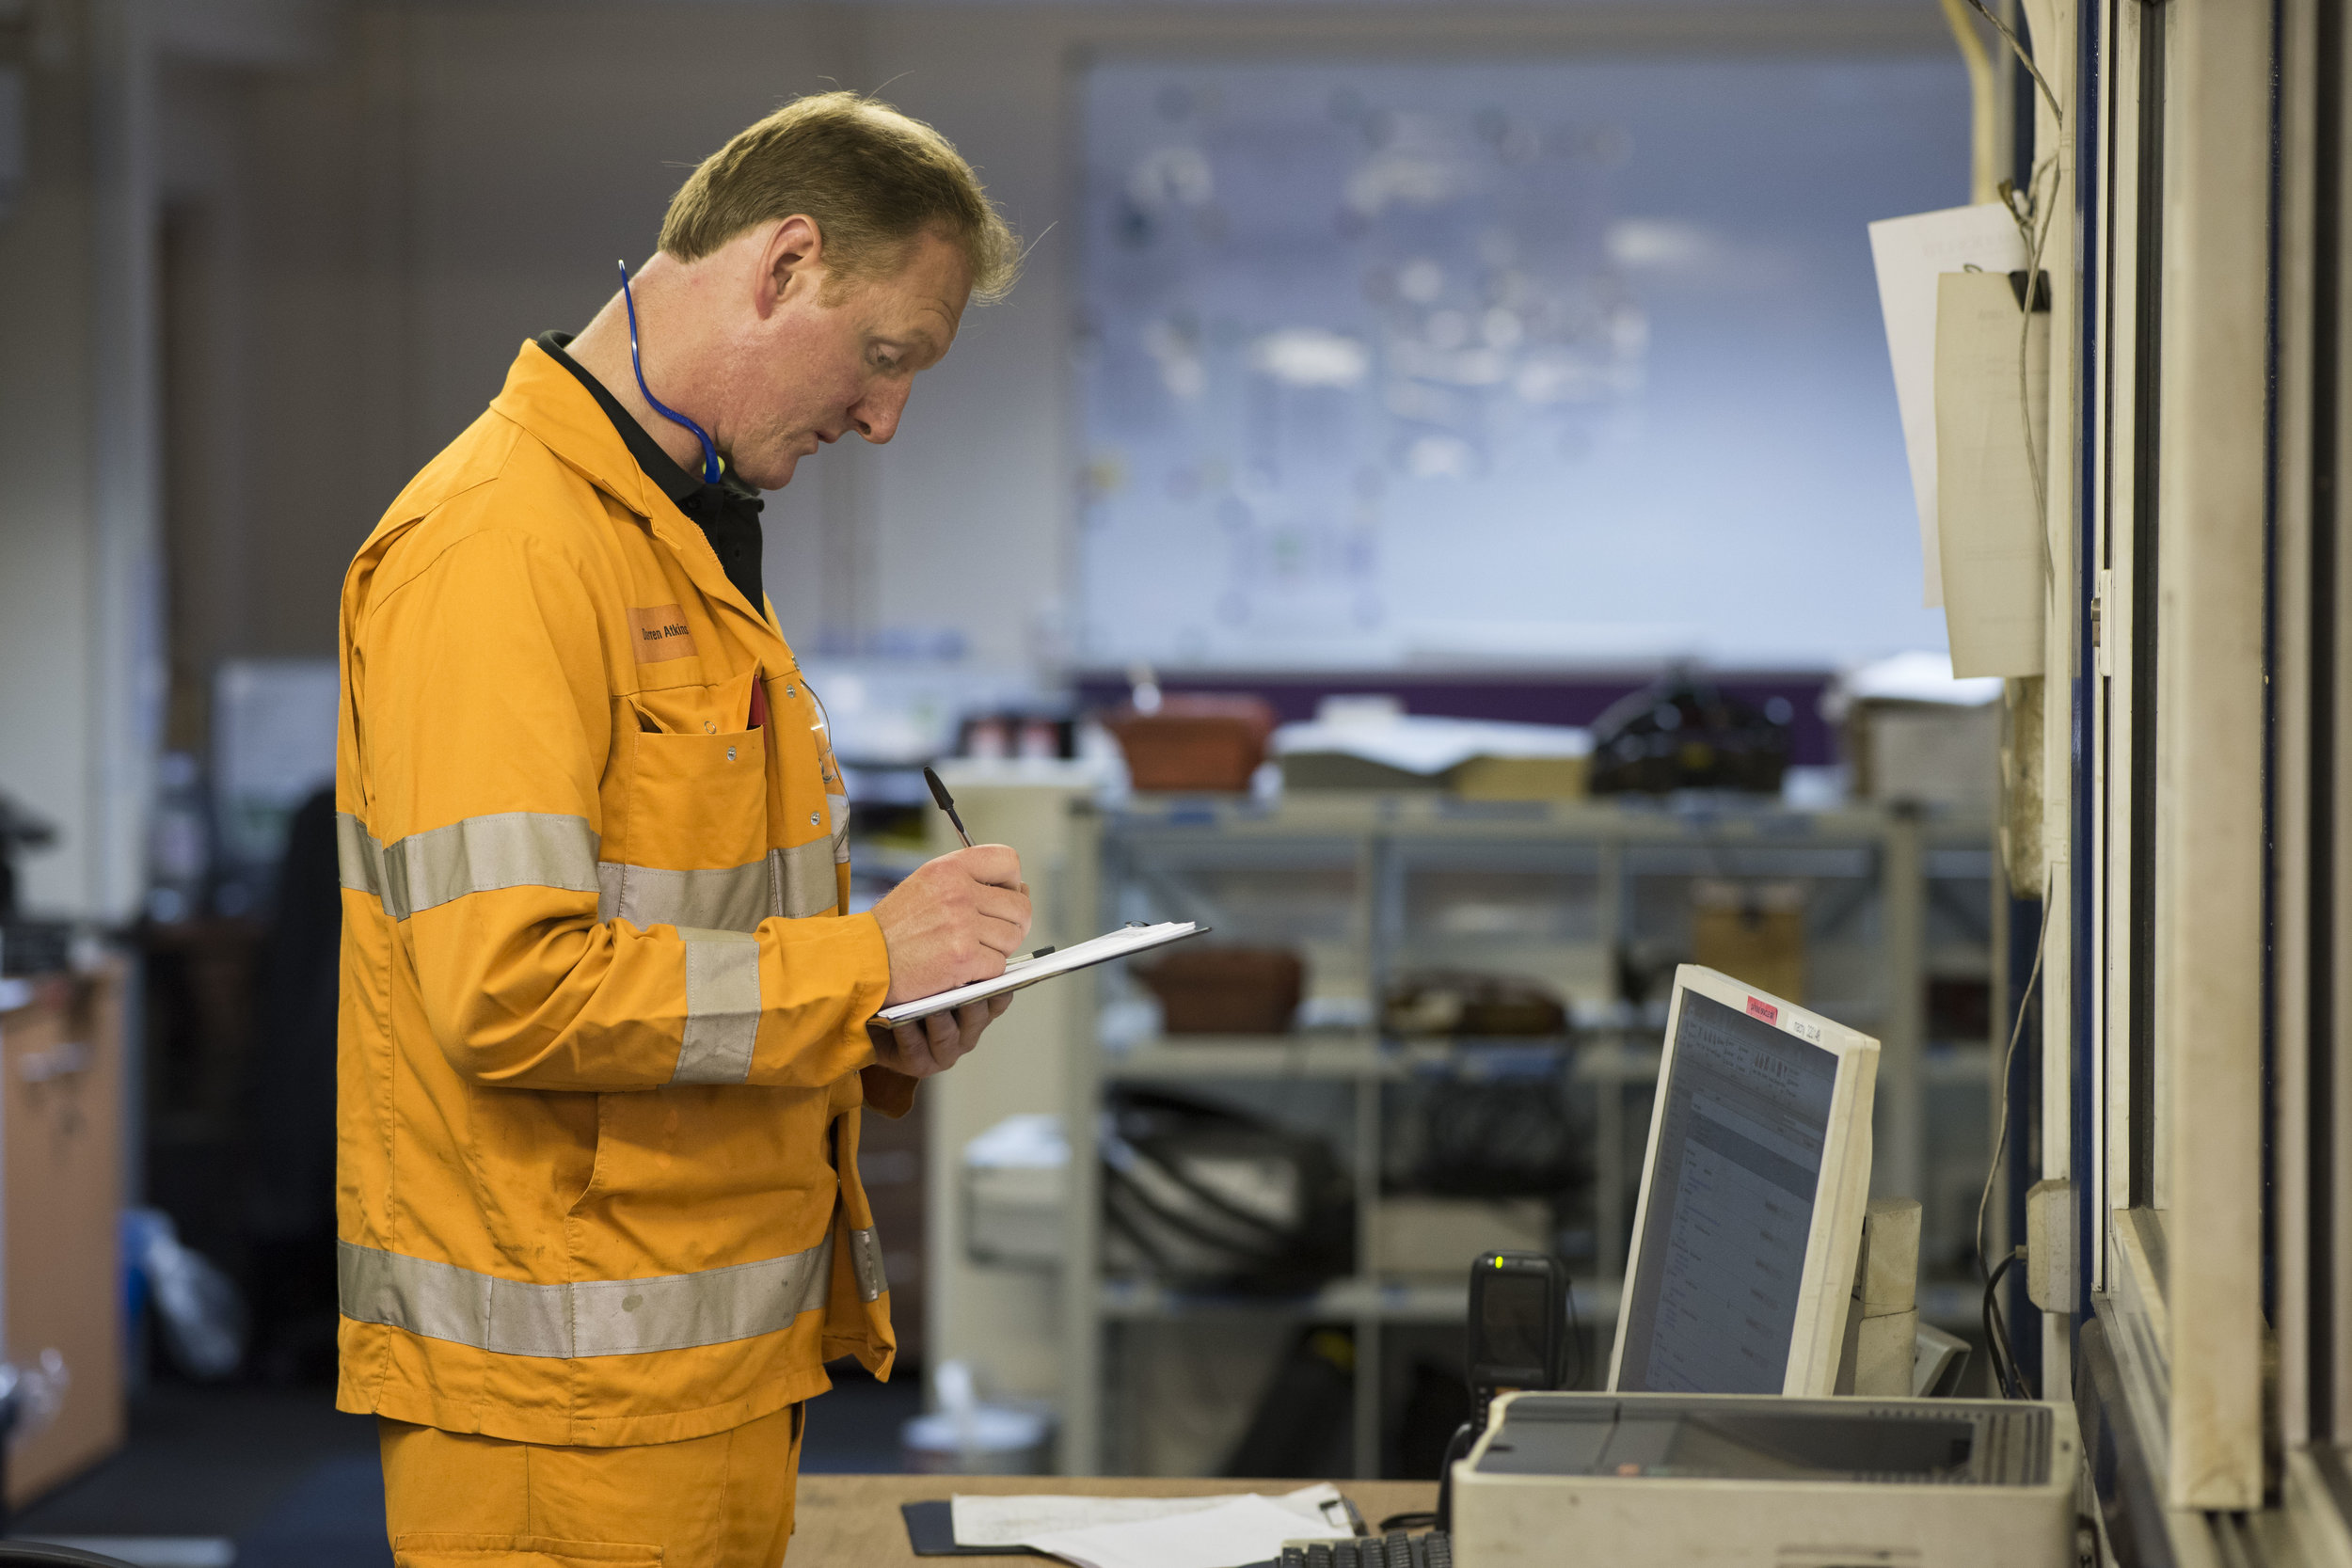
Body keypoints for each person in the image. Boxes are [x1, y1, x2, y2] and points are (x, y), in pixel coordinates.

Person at [332, 91, 1031, 1566]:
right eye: (884, 357)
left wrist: (883, 1017)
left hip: (703, 1383)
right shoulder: (501, 550)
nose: (885, 417)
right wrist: (859, 965)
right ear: (781, 267)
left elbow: (696, 950)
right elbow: (509, 991)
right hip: (563, 1427)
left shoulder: (677, 528)